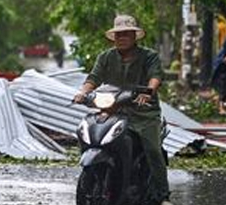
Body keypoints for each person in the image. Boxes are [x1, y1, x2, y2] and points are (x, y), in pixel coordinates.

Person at [73, 14, 172, 205]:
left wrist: (150, 90)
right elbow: (93, 78)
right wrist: (83, 93)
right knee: (89, 134)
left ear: (134, 36)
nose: (122, 38)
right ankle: (95, 174)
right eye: (119, 35)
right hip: (113, 110)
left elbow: (155, 77)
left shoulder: (149, 56)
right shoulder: (106, 57)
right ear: (114, 37)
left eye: (126, 34)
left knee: (152, 149)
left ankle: (162, 196)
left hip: (143, 112)